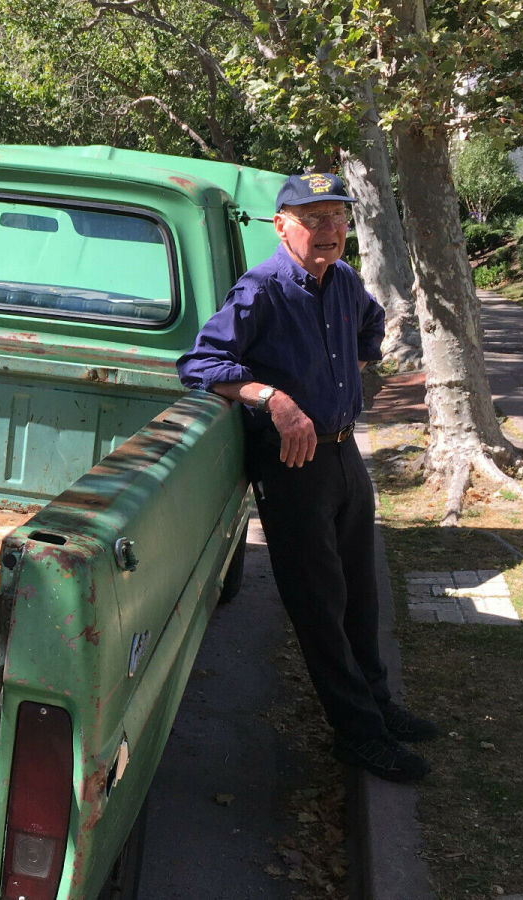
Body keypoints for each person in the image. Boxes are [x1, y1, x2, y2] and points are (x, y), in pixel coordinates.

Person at [177, 171, 437, 783]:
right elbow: (200, 361)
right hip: (293, 466)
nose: (330, 231)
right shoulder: (262, 288)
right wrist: (273, 397)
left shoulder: (344, 280)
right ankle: (359, 735)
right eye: (314, 219)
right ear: (282, 225)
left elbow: (372, 328)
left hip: (346, 455)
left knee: (360, 591)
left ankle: (377, 702)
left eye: (339, 218)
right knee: (319, 604)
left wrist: (353, 364)